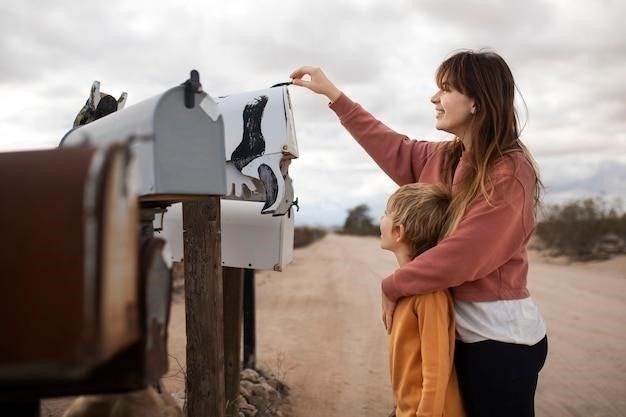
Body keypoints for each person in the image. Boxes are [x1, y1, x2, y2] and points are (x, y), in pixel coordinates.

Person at [290, 49, 548, 417]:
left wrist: (393, 284)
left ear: (477, 101)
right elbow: (391, 146)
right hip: (455, 330)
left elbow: (466, 254)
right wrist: (335, 96)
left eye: (445, 89)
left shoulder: (510, 170)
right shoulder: (445, 157)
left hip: (498, 341)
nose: (434, 98)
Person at [379, 183, 465, 417]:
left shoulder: (429, 296)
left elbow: (436, 370)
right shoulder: (406, 292)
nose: (381, 218)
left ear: (399, 232)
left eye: (387, 212)